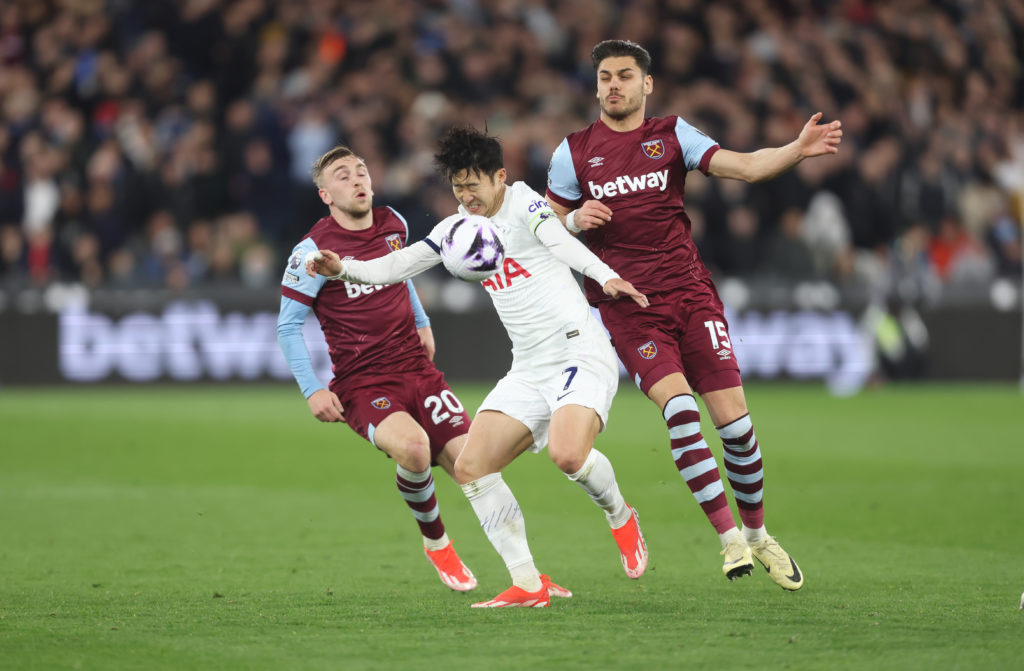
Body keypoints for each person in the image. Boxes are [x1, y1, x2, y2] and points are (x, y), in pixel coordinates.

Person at [544, 39, 844, 591]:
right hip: (627, 305)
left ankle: (757, 535)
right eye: (606, 77)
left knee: (736, 425)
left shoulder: (672, 135)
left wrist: (796, 149)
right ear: (595, 86)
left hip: (692, 296)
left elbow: (748, 168)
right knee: (680, 411)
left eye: (625, 76)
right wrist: (572, 220)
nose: (614, 85)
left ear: (646, 84)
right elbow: (542, 227)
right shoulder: (573, 153)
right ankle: (729, 537)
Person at [307, 127, 650, 608]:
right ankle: (528, 584)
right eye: (457, 187)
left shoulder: (525, 203)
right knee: (470, 467)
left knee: (569, 456)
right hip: (529, 366)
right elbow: (394, 267)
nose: (466, 197)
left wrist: (607, 276)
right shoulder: (454, 231)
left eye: (474, 185)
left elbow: (559, 239)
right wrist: (342, 268)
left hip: (578, 350)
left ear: (500, 178)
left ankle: (620, 514)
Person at [276, 145, 478, 594]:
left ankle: (527, 575)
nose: (357, 179)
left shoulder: (394, 224)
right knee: (414, 448)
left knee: (475, 468)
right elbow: (288, 327)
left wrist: (422, 321)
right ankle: (438, 543)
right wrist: (312, 390)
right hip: (363, 381)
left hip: (415, 366)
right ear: (326, 195)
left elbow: (398, 274)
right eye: (343, 175)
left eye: (362, 170)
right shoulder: (311, 252)